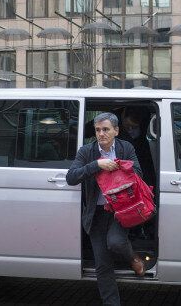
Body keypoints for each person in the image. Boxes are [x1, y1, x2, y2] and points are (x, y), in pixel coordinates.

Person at [66, 112, 145, 306]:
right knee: (102, 264)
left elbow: (139, 174)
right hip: (97, 214)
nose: (101, 134)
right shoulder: (87, 152)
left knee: (116, 242)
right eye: (98, 130)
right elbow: (71, 177)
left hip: (121, 210)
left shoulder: (126, 148)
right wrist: (96, 165)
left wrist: (117, 167)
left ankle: (133, 257)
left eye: (106, 129)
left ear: (116, 131)